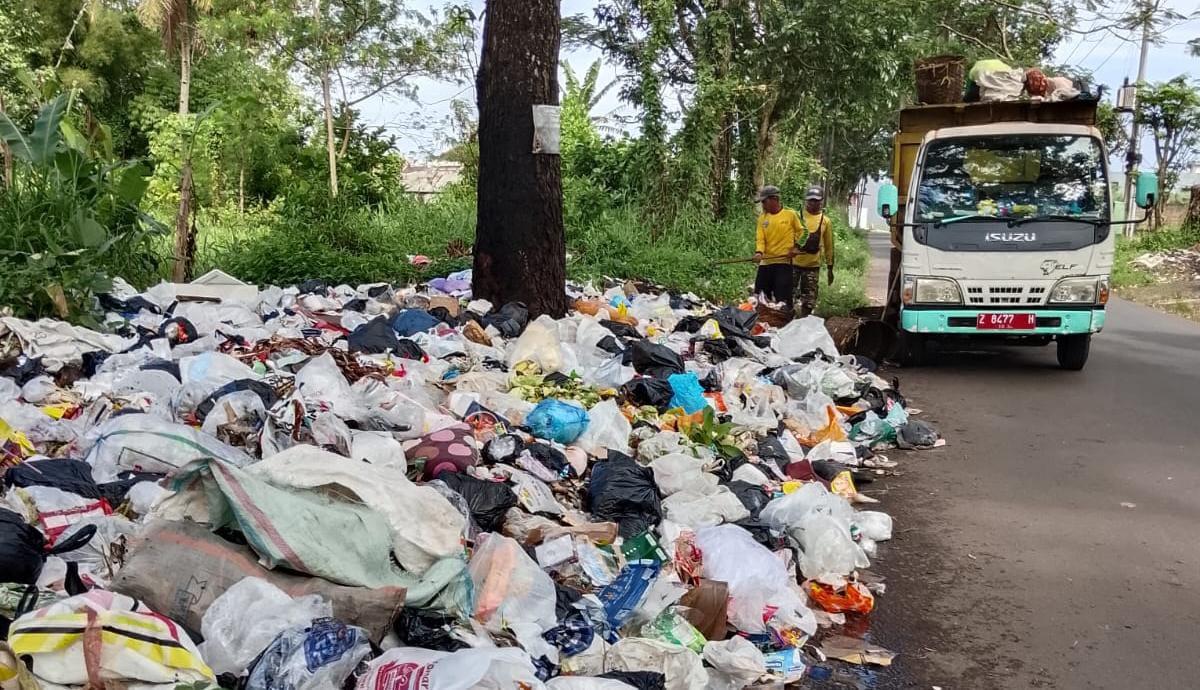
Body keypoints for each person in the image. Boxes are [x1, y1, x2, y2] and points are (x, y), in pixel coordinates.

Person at [753, 186, 806, 312]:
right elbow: (760, 239)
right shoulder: (762, 218)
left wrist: (796, 247)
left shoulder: (790, 215)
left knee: (782, 299)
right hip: (766, 262)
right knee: (760, 297)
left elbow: (804, 232)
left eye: (764, 201)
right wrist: (759, 252)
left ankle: (785, 321)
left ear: (774, 199)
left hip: (783, 262)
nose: (763, 205)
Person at [792, 186, 835, 318]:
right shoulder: (797, 216)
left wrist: (830, 267)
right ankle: (787, 322)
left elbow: (829, 245)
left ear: (821, 202)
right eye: (810, 200)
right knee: (788, 295)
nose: (813, 203)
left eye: (816, 201)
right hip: (793, 264)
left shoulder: (825, 221)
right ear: (806, 201)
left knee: (809, 300)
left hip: (812, 266)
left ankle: (805, 322)